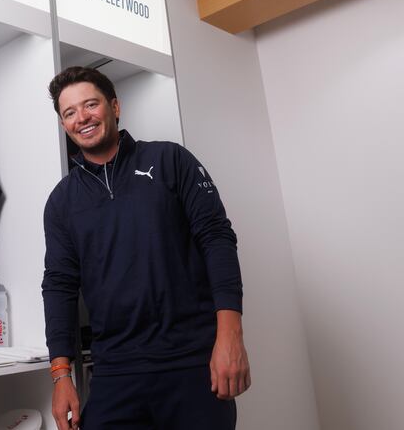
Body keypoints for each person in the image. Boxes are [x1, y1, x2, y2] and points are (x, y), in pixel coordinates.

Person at [42, 67, 250, 430]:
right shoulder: (61, 202)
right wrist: (61, 376)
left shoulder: (171, 161)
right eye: (69, 113)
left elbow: (217, 238)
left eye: (90, 104)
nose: (82, 118)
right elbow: (59, 286)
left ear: (115, 106)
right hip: (114, 374)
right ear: (63, 124)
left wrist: (230, 337)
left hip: (192, 364)